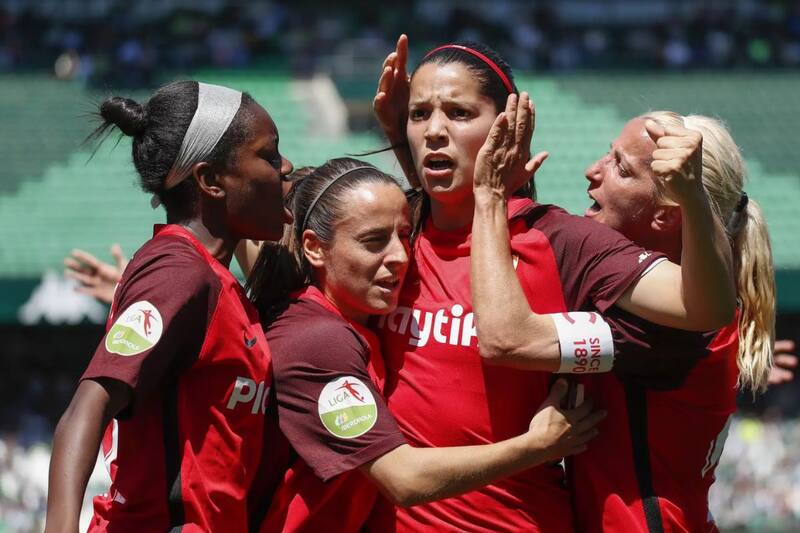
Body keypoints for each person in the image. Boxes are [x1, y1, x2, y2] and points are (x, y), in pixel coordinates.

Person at [368, 37, 736, 532]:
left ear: (509, 128)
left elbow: (704, 308)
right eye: (419, 115)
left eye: (458, 113)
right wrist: (398, 131)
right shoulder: (392, 233)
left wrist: (692, 197)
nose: (434, 130)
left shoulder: (560, 240)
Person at [244, 158, 602, 532]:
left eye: (403, 235)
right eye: (373, 241)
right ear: (314, 248)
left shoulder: (349, 320)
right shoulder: (319, 340)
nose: (400, 256)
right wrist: (539, 445)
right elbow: (403, 480)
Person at [469, 103, 777, 531]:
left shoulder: (663, 327)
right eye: (607, 154)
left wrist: (490, 195)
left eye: (621, 169)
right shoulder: (697, 313)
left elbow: (509, 338)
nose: (592, 172)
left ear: (666, 215)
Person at [45, 80, 293, 533]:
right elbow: (89, 404)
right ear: (211, 180)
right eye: (269, 156)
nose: (285, 167)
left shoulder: (212, 279)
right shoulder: (180, 272)